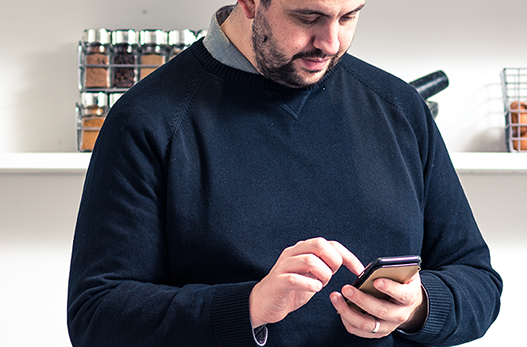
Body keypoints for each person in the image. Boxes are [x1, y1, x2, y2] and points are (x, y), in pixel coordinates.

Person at [66, 0, 501, 346]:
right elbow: (96, 317)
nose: (330, 42)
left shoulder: (399, 108)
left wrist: (418, 307)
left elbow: (479, 282)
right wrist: (249, 307)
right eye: (308, 17)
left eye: (348, 16)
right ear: (251, 2)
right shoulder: (149, 120)